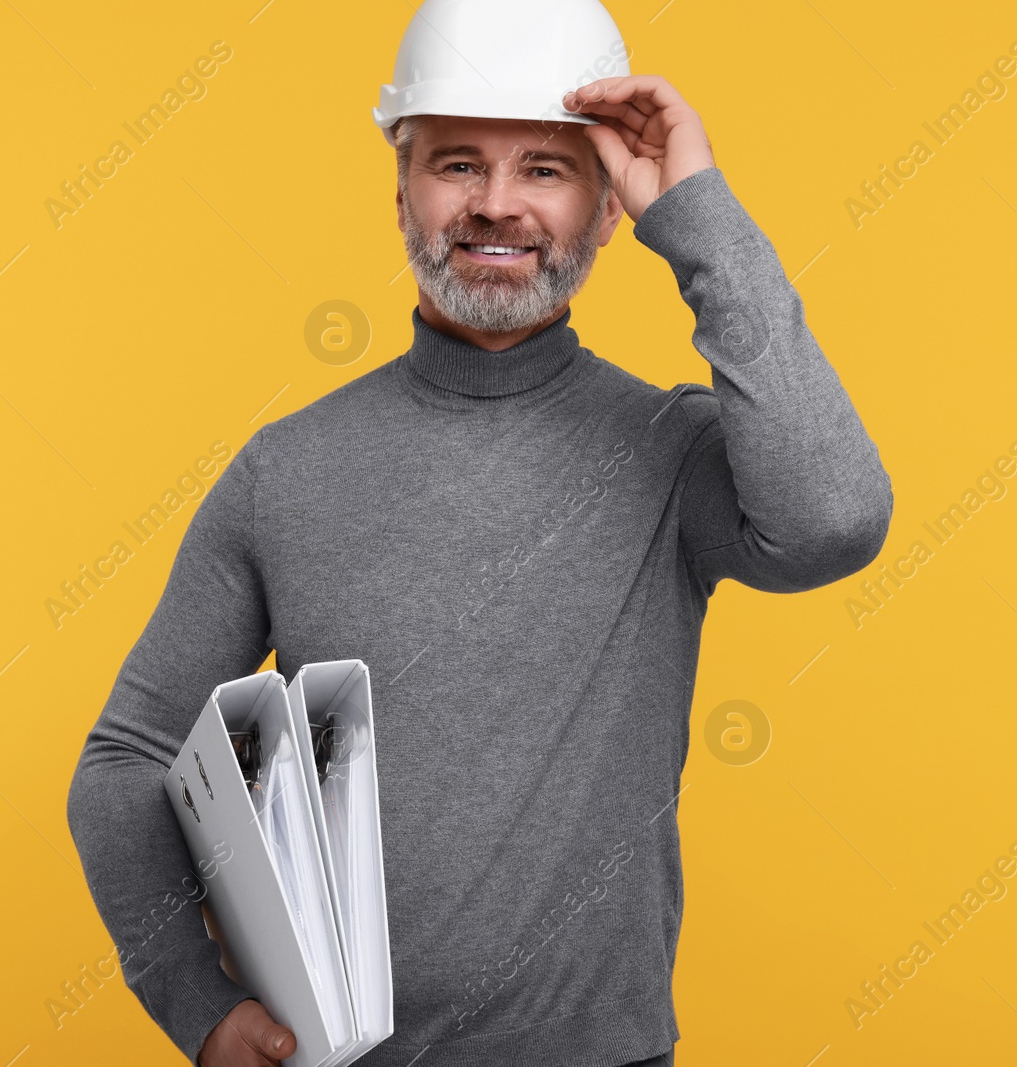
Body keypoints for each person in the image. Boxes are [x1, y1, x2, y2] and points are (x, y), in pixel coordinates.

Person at [66, 5, 894, 1065]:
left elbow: (835, 518)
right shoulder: (285, 470)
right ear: (400, 191)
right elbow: (126, 759)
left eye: (546, 170)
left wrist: (695, 215)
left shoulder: (671, 452)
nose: (495, 204)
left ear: (607, 212)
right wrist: (198, 1002)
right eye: (456, 162)